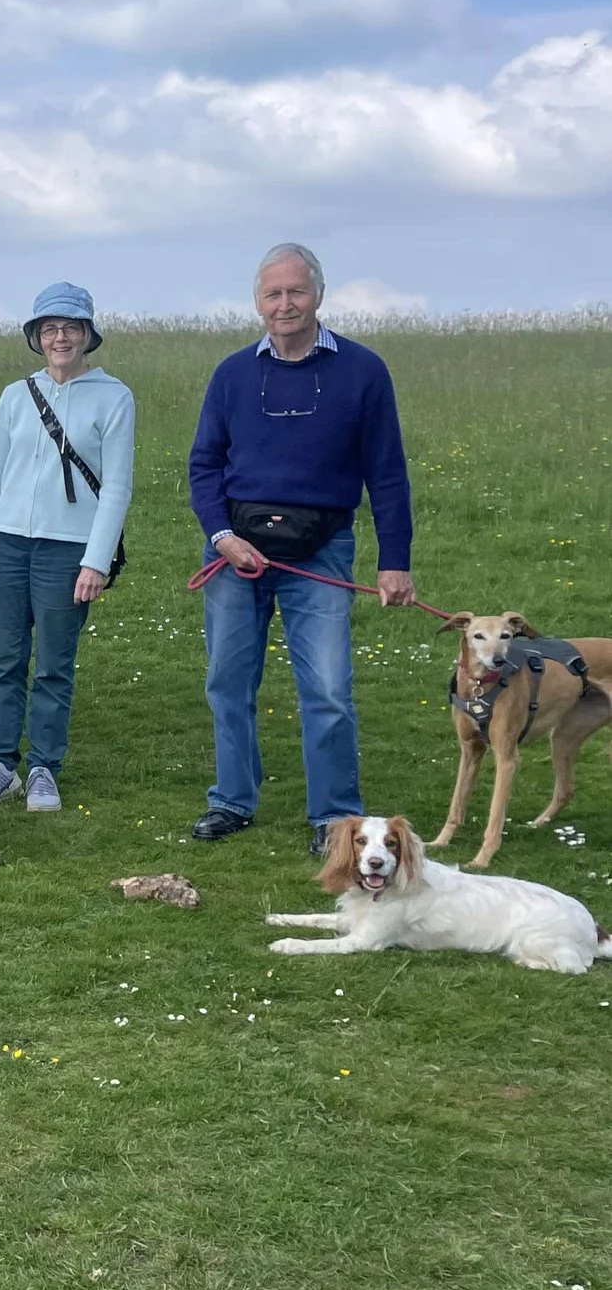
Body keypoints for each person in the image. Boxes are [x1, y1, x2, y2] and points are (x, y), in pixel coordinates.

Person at [187, 242, 414, 853]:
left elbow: (387, 472)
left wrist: (395, 561)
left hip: (321, 551)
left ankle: (335, 817)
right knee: (228, 681)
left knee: (330, 689)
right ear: (257, 301)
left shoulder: (363, 371)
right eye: (272, 294)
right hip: (236, 553)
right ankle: (232, 800)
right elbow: (205, 464)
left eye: (296, 292)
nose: (284, 304)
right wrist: (223, 537)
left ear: (318, 294)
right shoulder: (233, 374)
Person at [0, 284, 136, 814]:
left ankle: (43, 768)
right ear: (37, 337)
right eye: (50, 329)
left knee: (55, 663)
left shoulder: (114, 397)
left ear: (87, 335)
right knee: (7, 658)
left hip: (70, 548)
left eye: (71, 328)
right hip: (8, 542)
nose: (60, 338)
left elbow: (118, 488)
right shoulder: (17, 395)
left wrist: (95, 561)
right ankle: (0, 765)